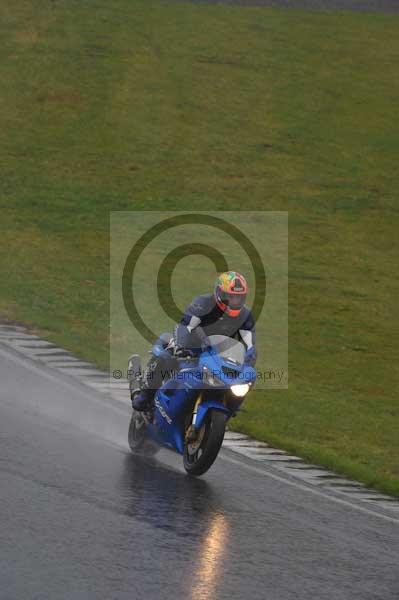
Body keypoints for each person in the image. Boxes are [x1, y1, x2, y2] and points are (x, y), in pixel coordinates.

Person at [131, 271, 257, 411]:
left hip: (218, 358)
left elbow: (249, 342)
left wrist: (249, 357)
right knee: (166, 356)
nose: (235, 302)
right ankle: (145, 395)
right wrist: (183, 346)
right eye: (231, 297)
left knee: (246, 378)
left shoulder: (245, 315)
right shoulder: (203, 303)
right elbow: (188, 325)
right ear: (219, 293)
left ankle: (230, 407)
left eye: (238, 298)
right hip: (192, 348)